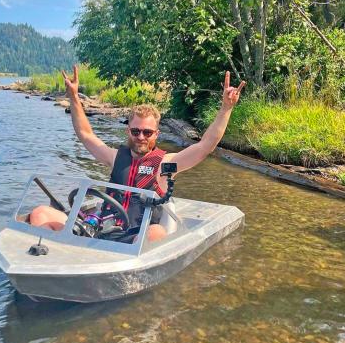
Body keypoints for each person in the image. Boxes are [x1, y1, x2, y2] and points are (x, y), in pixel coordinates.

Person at [30, 65, 245, 242]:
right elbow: (86, 134)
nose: (141, 137)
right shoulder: (115, 157)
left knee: (155, 234)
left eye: (147, 132)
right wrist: (74, 97)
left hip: (134, 236)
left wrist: (226, 108)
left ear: (156, 134)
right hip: (102, 226)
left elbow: (205, 145)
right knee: (40, 212)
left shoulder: (165, 164)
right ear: (129, 131)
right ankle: (54, 261)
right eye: (136, 131)